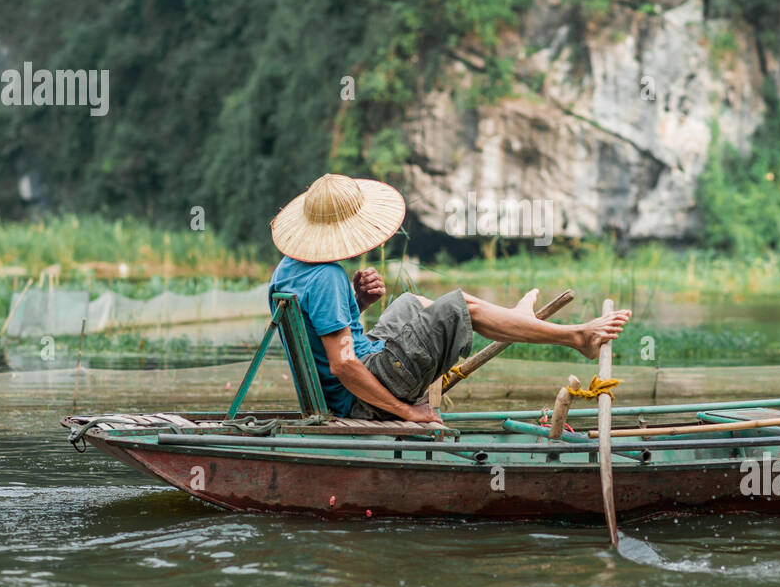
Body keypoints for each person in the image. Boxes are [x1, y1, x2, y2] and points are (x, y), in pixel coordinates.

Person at [268, 173, 631, 424]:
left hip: (361, 372)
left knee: (410, 302)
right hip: (360, 399)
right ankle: (575, 337)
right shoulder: (327, 276)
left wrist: (358, 303)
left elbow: (323, 337)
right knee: (461, 306)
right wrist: (407, 412)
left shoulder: (286, 271)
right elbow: (344, 365)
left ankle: (519, 320)